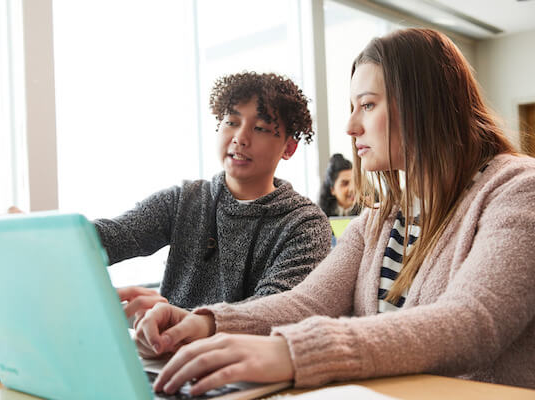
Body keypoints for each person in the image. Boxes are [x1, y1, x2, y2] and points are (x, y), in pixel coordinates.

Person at [133, 28, 535, 396]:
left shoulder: (518, 190)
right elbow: (307, 303)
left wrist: (293, 353)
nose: (350, 125)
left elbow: (471, 321)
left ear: (424, 105)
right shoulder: (378, 220)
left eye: (368, 105)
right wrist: (204, 323)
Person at [95, 72, 332, 320]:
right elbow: (111, 237)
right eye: (231, 122)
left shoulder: (305, 225)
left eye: (260, 128)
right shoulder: (184, 201)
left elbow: (273, 310)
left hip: (245, 357)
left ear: (289, 148)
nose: (240, 138)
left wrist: (179, 319)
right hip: (167, 352)